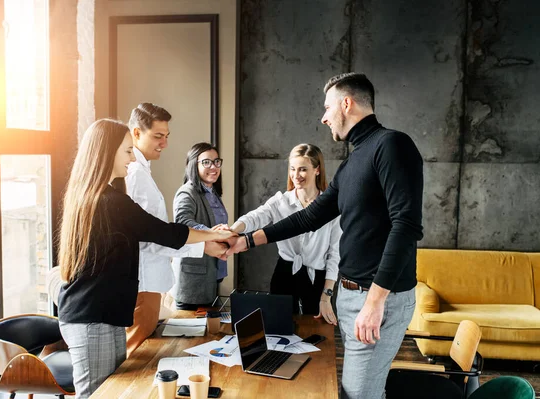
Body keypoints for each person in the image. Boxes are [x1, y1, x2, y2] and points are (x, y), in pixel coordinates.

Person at [226, 73, 424, 399]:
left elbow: (406, 226)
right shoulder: (353, 161)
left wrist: (375, 302)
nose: (324, 116)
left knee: (359, 395)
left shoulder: (392, 145)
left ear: (347, 103)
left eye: (328, 107)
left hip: (376, 298)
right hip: (351, 296)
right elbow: (309, 217)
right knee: (357, 390)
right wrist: (245, 241)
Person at [57, 119, 234, 398]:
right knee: (97, 395)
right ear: (107, 152)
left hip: (103, 314)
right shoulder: (109, 202)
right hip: (92, 316)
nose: (132, 158)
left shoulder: (95, 195)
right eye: (127, 151)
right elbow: (162, 232)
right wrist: (211, 236)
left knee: (111, 392)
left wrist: (207, 239)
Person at [124, 103, 227, 356]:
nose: (165, 143)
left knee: (140, 353)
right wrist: (206, 242)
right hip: (143, 283)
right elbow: (154, 237)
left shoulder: (143, 171)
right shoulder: (136, 174)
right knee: (135, 356)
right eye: (158, 136)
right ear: (136, 133)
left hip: (149, 283)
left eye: (166, 136)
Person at [229, 144, 340, 324]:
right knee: (279, 330)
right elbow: (256, 216)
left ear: (317, 170)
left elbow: (335, 254)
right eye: (293, 169)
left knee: (317, 334)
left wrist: (326, 296)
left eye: (303, 169)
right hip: (284, 274)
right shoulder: (281, 201)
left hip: (318, 279)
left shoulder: (331, 208)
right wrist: (232, 230)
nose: (296, 175)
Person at [172, 142, 230, 309]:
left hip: (213, 271)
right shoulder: (187, 192)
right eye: (206, 162)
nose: (213, 167)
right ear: (193, 165)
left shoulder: (213, 193)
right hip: (193, 279)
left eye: (216, 161)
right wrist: (214, 234)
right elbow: (183, 222)